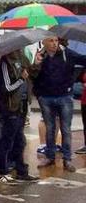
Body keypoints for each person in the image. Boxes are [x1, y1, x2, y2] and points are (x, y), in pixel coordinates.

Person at [30, 36, 86, 172]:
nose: (54, 43)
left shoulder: (67, 53)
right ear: (44, 42)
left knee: (66, 129)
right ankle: (50, 156)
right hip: (46, 98)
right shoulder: (40, 55)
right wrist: (36, 64)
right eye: (51, 41)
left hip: (64, 96)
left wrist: (71, 82)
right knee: (50, 129)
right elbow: (33, 75)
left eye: (56, 41)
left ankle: (67, 159)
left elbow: (83, 60)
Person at [0, 51, 39, 184]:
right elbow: (6, 87)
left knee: (20, 141)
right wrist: (21, 79)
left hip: (21, 106)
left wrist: (36, 64)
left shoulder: (21, 60)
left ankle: (21, 171)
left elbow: (31, 74)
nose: (19, 49)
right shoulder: (3, 65)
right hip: (8, 109)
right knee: (6, 141)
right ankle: (2, 171)